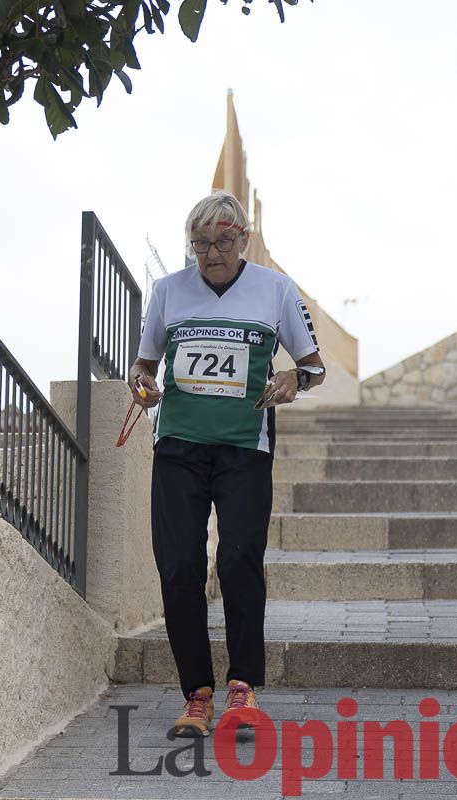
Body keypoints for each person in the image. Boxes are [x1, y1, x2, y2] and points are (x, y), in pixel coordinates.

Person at [129, 190, 326, 737]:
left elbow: (314, 367)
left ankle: (243, 687)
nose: (210, 254)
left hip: (245, 447)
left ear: (243, 238)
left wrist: (292, 379)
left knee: (239, 559)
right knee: (179, 566)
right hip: (178, 448)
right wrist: (143, 385)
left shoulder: (274, 288)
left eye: (221, 242)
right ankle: (197, 693)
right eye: (199, 244)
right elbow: (144, 365)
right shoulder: (168, 291)